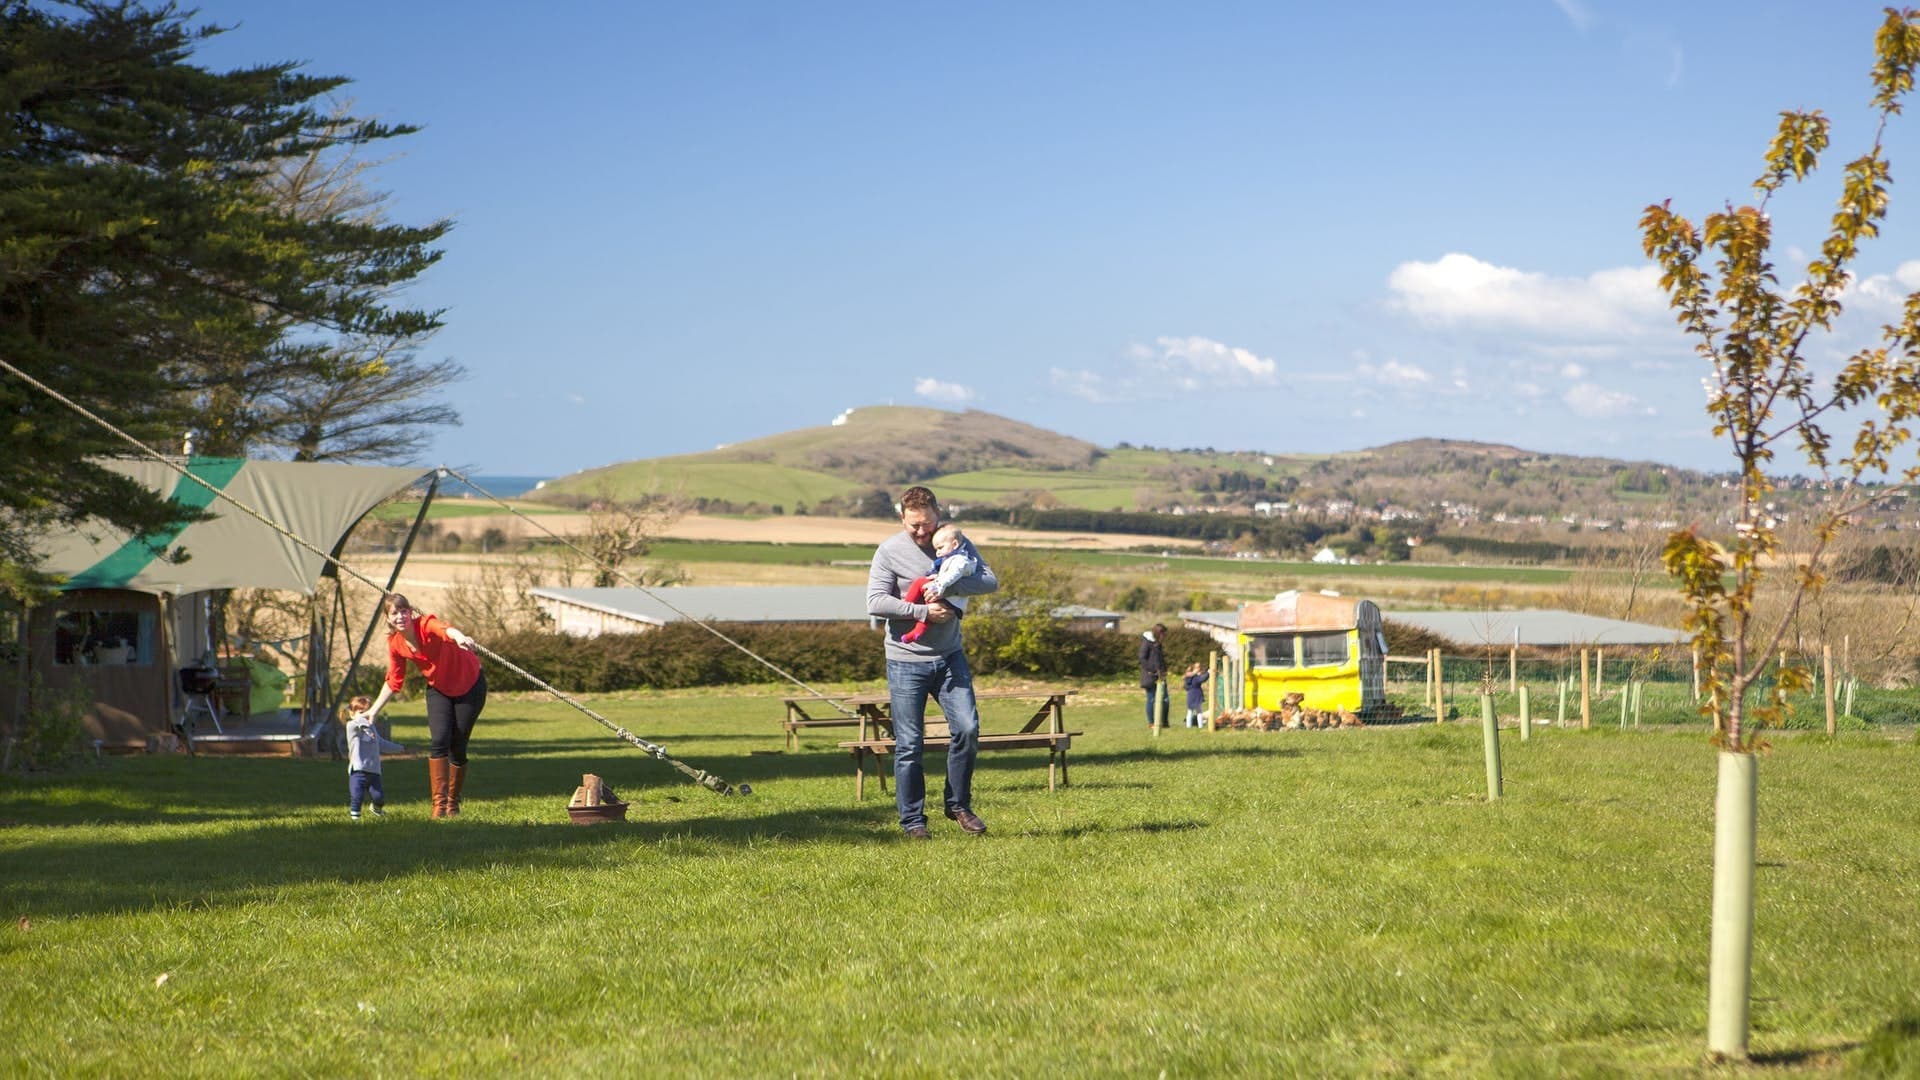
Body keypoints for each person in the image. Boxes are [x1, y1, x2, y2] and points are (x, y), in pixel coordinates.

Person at [867, 487, 999, 839]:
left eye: (927, 523)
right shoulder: (889, 551)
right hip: (905, 661)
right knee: (910, 744)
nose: (922, 532)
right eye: (914, 525)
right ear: (902, 518)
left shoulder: (955, 541)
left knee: (967, 729)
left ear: (937, 513)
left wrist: (948, 586)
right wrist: (923, 612)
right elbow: (875, 602)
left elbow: (989, 581)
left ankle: (958, 805)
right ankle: (913, 821)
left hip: (950, 656)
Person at [362, 593, 486, 819]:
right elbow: (394, 680)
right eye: (394, 613)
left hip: (470, 685)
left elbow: (445, 629)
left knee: (458, 745)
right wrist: (373, 711)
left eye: (404, 611)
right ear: (388, 619)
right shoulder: (396, 644)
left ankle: (452, 804)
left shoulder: (425, 624)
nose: (400, 617)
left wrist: (459, 637)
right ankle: (438, 807)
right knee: (439, 740)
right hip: (439, 688)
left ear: (411, 612)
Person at [898, 523, 983, 645]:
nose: (937, 553)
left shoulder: (960, 560)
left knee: (922, 587)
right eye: (936, 549)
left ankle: (907, 608)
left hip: (951, 599)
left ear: (955, 544)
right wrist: (937, 578)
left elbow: (952, 575)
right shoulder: (954, 558)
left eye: (940, 548)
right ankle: (916, 629)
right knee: (927, 599)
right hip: (951, 597)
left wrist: (939, 585)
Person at [343, 695, 385, 820]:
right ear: (352, 714)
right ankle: (355, 819)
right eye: (362, 713)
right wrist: (365, 724)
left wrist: (399, 748)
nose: (366, 716)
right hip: (358, 770)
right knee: (357, 795)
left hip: (374, 770)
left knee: (378, 797)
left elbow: (381, 743)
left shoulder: (373, 729)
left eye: (369, 712)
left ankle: (376, 808)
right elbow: (358, 722)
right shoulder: (351, 726)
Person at [1139, 623, 1169, 728]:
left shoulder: (1158, 644)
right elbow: (1142, 658)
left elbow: (1160, 659)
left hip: (1160, 675)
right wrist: (1151, 670)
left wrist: (1164, 669)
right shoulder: (1147, 642)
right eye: (1163, 634)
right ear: (1159, 633)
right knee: (1151, 699)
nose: (1164, 637)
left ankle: (1164, 722)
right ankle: (1151, 722)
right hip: (1149, 676)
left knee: (1165, 699)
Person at [1182, 662, 1210, 728]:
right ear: (1193, 669)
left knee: (1190, 712)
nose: (1199, 669)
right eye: (1197, 668)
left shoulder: (1189, 677)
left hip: (1190, 696)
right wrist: (1208, 673)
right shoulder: (1195, 677)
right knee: (1199, 712)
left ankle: (1188, 726)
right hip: (1196, 697)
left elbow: (1186, 686)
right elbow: (1202, 679)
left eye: (1199, 667)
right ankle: (1200, 726)